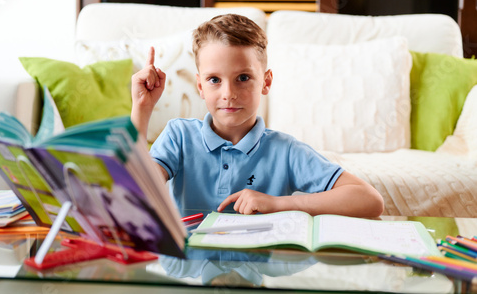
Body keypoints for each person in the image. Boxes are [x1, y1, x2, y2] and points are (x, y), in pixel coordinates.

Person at [131, 14, 384, 217]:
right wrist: (142, 109)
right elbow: (135, 191)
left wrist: (277, 204)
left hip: (257, 272)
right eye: (214, 80)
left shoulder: (285, 151)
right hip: (192, 272)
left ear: (266, 81)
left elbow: (369, 200)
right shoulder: (179, 136)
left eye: (243, 78)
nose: (228, 93)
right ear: (200, 86)